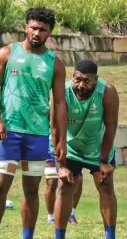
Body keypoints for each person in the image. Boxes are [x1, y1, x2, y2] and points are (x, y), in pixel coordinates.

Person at [0, 7, 67, 239]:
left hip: (37, 134)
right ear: (26, 27)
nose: (37, 33)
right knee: (1, 186)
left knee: (31, 190)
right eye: (34, 27)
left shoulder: (55, 63)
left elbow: (60, 102)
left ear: (49, 33)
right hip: (8, 131)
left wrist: (60, 139)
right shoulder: (7, 53)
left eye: (43, 29)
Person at [53, 60, 119, 239]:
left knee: (105, 186)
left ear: (96, 80)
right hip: (70, 147)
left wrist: (104, 161)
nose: (81, 85)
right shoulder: (63, 92)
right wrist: (62, 164)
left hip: (97, 147)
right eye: (77, 79)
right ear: (73, 76)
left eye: (87, 81)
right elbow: (56, 128)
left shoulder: (107, 92)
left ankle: (110, 236)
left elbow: (111, 126)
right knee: (65, 187)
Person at [44, 145, 83, 225]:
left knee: (77, 180)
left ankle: (71, 214)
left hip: (71, 146)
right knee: (52, 182)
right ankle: (51, 217)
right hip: (52, 147)